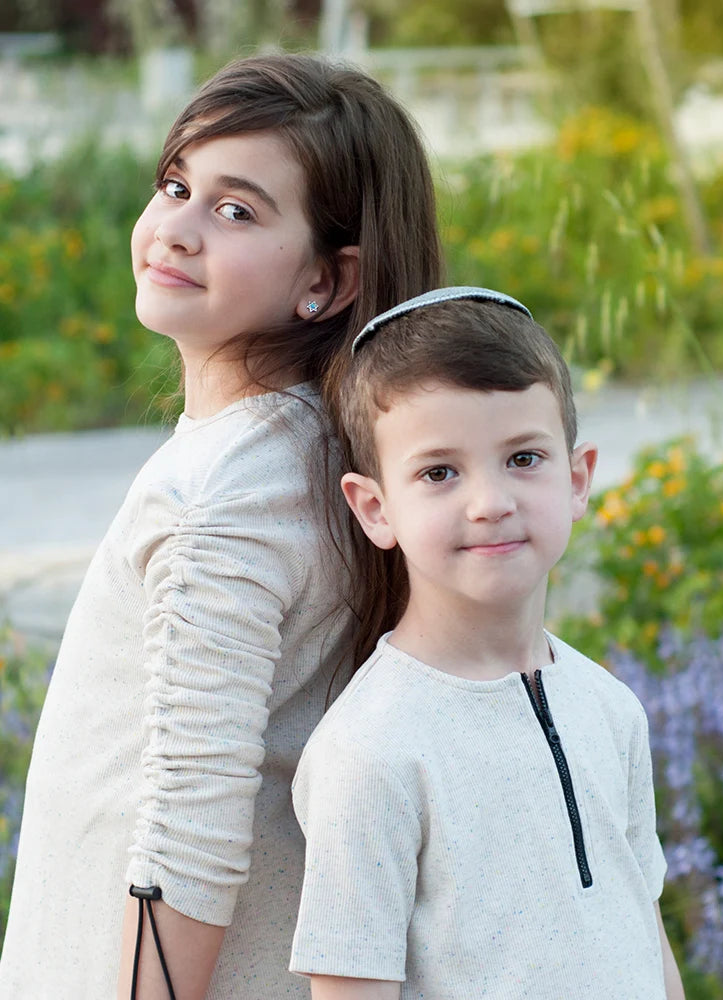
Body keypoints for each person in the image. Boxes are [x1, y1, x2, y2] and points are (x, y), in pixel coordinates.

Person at [0, 54, 442, 998]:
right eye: (176, 185)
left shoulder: (223, 492)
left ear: (328, 280)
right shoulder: (325, 451)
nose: (178, 229)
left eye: (236, 210)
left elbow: (188, 832)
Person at [289, 287, 686, 1000]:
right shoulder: (370, 753)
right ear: (376, 509)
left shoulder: (612, 707)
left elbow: (641, 934)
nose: (490, 502)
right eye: (439, 472)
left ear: (576, 480)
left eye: (523, 459)